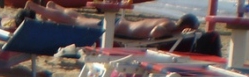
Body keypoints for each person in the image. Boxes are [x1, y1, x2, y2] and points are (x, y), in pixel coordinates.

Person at [24, 0, 199, 44]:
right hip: (117, 26)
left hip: (119, 23)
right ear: (186, 27)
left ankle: (55, 6)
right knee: (75, 22)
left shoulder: (168, 21)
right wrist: (176, 34)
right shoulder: (169, 26)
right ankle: (34, 7)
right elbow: (155, 33)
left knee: (79, 18)